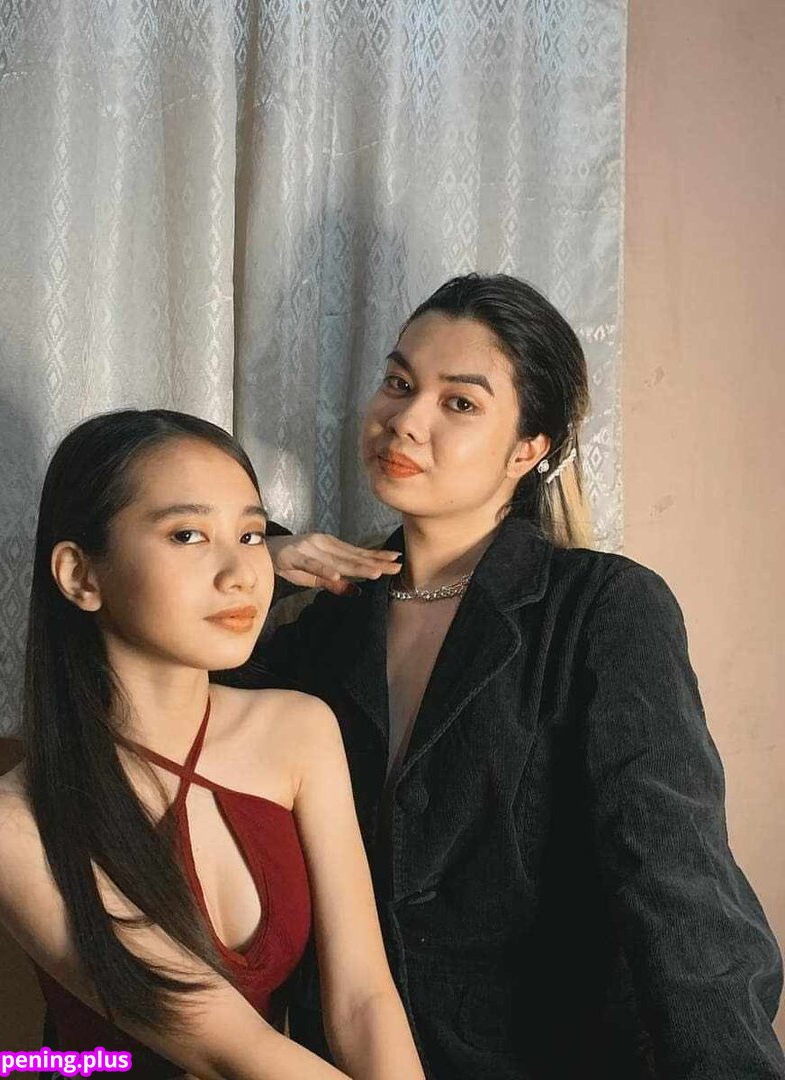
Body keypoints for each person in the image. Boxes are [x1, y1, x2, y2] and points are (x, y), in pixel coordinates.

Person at [243, 274, 785, 1079]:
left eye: (460, 402)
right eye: (398, 382)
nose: (406, 419)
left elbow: (674, 876)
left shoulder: (600, 608)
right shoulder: (322, 628)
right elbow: (159, 714)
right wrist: (260, 559)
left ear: (530, 448)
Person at [0, 410, 425, 1080]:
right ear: (80, 576)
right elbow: (229, 1050)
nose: (241, 574)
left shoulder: (299, 730)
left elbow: (364, 1002)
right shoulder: (7, 826)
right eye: (188, 534)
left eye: (251, 534)